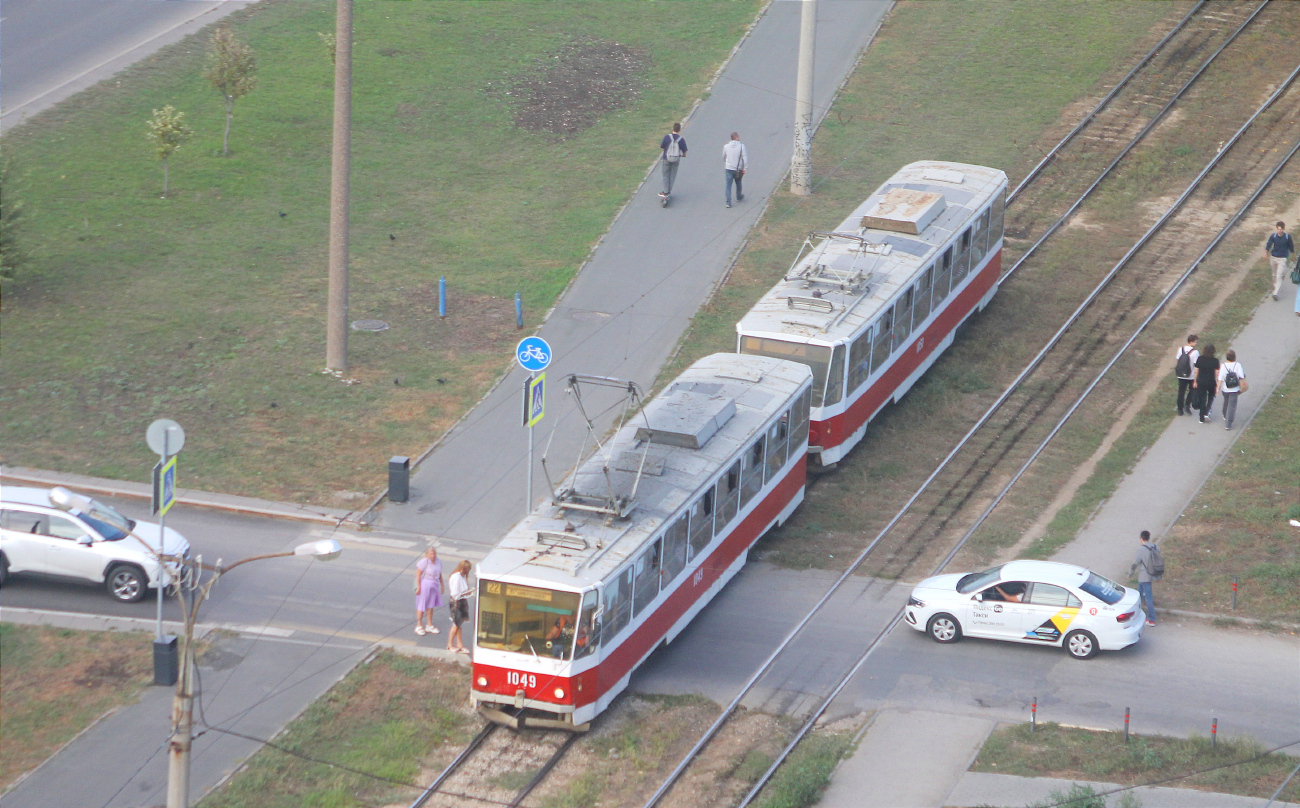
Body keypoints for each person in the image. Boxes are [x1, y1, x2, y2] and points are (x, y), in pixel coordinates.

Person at [1129, 530, 1158, 626]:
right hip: (1151, 574)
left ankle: (1151, 619)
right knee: (1139, 595)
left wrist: (1130, 573)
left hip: (1143, 576)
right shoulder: (1155, 547)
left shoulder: (1141, 549)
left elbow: (1135, 563)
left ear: (1141, 538)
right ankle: (1138, 614)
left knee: (1147, 597)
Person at [414, 546, 444, 636]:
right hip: (425, 585)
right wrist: (418, 587)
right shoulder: (424, 562)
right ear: (427, 554)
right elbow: (418, 575)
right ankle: (419, 626)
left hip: (434, 585)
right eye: (431, 553)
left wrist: (442, 585)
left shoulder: (438, 561)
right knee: (422, 605)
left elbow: (439, 574)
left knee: (431, 605)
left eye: (434, 553)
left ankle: (429, 625)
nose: (433, 555)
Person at [446, 559, 472, 654]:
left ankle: (459, 644)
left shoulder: (462, 576)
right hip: (457, 602)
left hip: (462, 600)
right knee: (456, 624)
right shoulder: (456, 577)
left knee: (459, 624)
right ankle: (450, 644)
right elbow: (456, 594)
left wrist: (468, 592)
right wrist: (466, 593)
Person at [1265, 221, 1295, 302]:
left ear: (1283, 229)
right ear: (1276, 229)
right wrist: (1266, 253)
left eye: (1281, 229)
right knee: (1274, 275)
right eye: (1278, 229)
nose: (1279, 231)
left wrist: (1293, 256)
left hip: (1282, 259)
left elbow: (1291, 247)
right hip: (1273, 258)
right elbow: (1269, 244)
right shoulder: (1274, 236)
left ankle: (1275, 293)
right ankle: (1276, 286)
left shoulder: (1287, 237)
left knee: (1279, 275)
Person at [1217, 349, 1247, 430]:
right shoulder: (1238, 365)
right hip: (1234, 389)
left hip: (1225, 389)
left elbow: (1220, 378)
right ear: (1234, 357)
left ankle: (1224, 414)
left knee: (1226, 402)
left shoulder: (1223, 365)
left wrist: (1218, 388)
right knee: (1232, 406)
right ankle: (1228, 424)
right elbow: (1241, 376)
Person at [1192, 342, 1219, 423]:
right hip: (1211, 381)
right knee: (1211, 396)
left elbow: (1196, 371)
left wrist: (1195, 381)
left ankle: (1201, 418)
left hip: (1201, 381)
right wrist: (1217, 384)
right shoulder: (1215, 361)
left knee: (1202, 398)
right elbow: (1217, 373)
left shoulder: (1200, 359)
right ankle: (1207, 412)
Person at [659, 123, 687, 199]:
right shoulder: (681, 139)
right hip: (676, 159)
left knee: (665, 175)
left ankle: (665, 191)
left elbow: (662, 147)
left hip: (666, 158)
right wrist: (683, 155)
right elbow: (684, 150)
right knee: (672, 176)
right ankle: (668, 192)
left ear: (673, 129)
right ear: (679, 130)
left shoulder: (667, 137)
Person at [1174, 334, 1199, 416]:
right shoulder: (1195, 352)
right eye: (1195, 342)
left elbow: (1178, 360)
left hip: (1181, 374)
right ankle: (1187, 405)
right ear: (1191, 342)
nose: (1196, 343)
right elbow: (1196, 366)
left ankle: (1179, 409)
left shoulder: (1180, 349)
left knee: (1181, 391)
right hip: (1190, 375)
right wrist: (1196, 379)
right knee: (1192, 390)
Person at [723, 131, 748, 208]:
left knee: (728, 185)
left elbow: (724, 156)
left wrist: (727, 163)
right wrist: (745, 168)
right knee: (738, 182)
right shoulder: (741, 146)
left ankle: (728, 202)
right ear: (736, 138)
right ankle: (738, 196)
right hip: (738, 169)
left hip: (728, 168)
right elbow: (745, 158)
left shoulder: (726, 146)